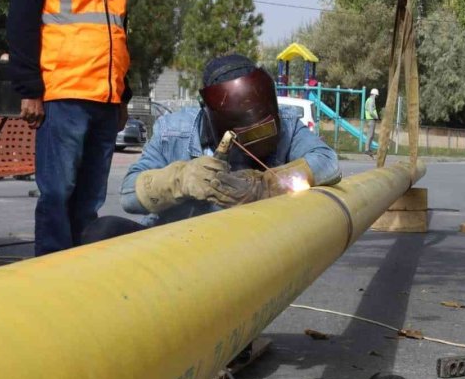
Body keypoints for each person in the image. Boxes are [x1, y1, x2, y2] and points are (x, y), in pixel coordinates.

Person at [82, 53, 341, 242]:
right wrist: (180, 179)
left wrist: (266, 184)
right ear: (211, 115)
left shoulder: (286, 125)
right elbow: (128, 195)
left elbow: (328, 162)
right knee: (100, 232)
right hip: (174, 239)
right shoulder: (174, 130)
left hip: (247, 244)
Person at [7, 0, 131, 256]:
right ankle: (51, 272)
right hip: (64, 94)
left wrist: (123, 96)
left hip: (106, 99)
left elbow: (119, 36)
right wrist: (29, 89)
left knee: (90, 200)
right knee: (57, 194)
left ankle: (81, 270)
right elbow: (20, 25)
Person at [364, 88, 380, 155]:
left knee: (371, 135)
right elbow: (371, 111)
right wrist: (376, 117)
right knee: (370, 135)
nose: (376, 97)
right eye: (376, 95)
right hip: (371, 119)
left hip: (370, 119)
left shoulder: (369, 100)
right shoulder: (371, 100)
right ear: (374, 95)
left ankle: (368, 149)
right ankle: (367, 149)